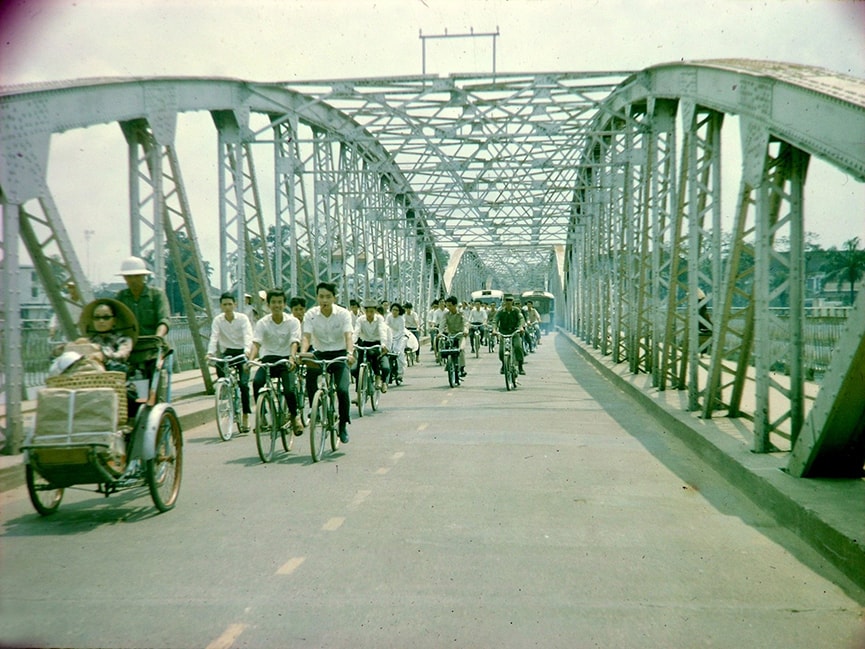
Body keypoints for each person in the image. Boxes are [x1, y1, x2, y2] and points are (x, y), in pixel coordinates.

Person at [301, 281, 355, 444]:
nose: (324, 300)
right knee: (310, 377)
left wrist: (350, 353)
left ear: (334, 298)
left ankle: (343, 425)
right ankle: (314, 408)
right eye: (321, 296)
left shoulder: (343, 314)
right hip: (320, 354)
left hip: (339, 355)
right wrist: (303, 352)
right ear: (317, 297)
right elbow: (306, 336)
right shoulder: (310, 314)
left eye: (328, 297)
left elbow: (348, 335)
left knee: (342, 390)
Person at [115, 256, 173, 399]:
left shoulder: (156, 295)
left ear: (143, 277)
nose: (133, 280)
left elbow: (164, 319)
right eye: (129, 277)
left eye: (136, 276)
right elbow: (114, 320)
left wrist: (158, 336)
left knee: (154, 381)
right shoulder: (121, 297)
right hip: (129, 348)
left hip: (152, 347)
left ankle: (157, 407)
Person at [250, 288, 304, 435]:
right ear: (268, 305)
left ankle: (295, 417)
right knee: (256, 383)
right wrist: (250, 360)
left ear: (284, 304)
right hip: (268, 359)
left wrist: (292, 358)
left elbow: (294, 341)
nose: (277, 305)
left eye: (280, 302)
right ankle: (262, 417)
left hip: (286, 359)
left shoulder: (292, 322)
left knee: (289, 390)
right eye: (273, 302)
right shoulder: (262, 323)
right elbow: (256, 343)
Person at [207, 292, 254, 432]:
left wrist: (247, 350)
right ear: (221, 306)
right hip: (227, 352)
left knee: (244, 385)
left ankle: (245, 415)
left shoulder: (243, 319)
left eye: (230, 304)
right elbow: (214, 337)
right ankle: (226, 390)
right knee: (219, 366)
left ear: (235, 305)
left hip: (242, 352)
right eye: (224, 305)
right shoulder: (218, 320)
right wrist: (210, 353)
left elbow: (248, 335)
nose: (227, 307)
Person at [354, 299, 389, 393]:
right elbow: (356, 332)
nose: (369, 314)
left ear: (375, 311)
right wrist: (353, 344)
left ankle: (378, 376)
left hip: (376, 343)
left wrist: (383, 344)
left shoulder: (379, 319)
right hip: (364, 342)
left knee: (374, 356)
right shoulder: (360, 320)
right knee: (358, 367)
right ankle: (358, 392)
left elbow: (382, 331)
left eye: (372, 311)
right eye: (367, 311)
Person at [494, 294, 526, 375]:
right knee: (501, 351)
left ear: (512, 302)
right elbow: (495, 321)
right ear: (504, 302)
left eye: (510, 301)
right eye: (507, 301)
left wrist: (521, 327)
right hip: (503, 332)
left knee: (518, 347)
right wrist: (494, 330)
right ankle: (504, 364)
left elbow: (521, 319)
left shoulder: (516, 310)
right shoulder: (500, 311)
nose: (508, 302)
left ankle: (520, 367)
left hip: (514, 332)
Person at [441, 295, 467, 377]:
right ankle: (449, 363)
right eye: (447, 306)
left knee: (461, 349)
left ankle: (462, 368)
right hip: (451, 335)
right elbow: (442, 324)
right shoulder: (446, 314)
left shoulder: (461, 313)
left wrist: (466, 330)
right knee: (446, 348)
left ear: (455, 305)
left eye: (450, 305)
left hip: (460, 335)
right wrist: (440, 332)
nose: (448, 307)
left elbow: (466, 322)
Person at [385, 302, 408, 385]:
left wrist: (395, 337)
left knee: (398, 352)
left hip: (400, 337)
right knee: (386, 352)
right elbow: (386, 326)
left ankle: (400, 373)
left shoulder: (401, 319)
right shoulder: (389, 317)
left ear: (399, 311)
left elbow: (401, 330)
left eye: (396, 310)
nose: (394, 312)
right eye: (393, 310)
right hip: (390, 336)